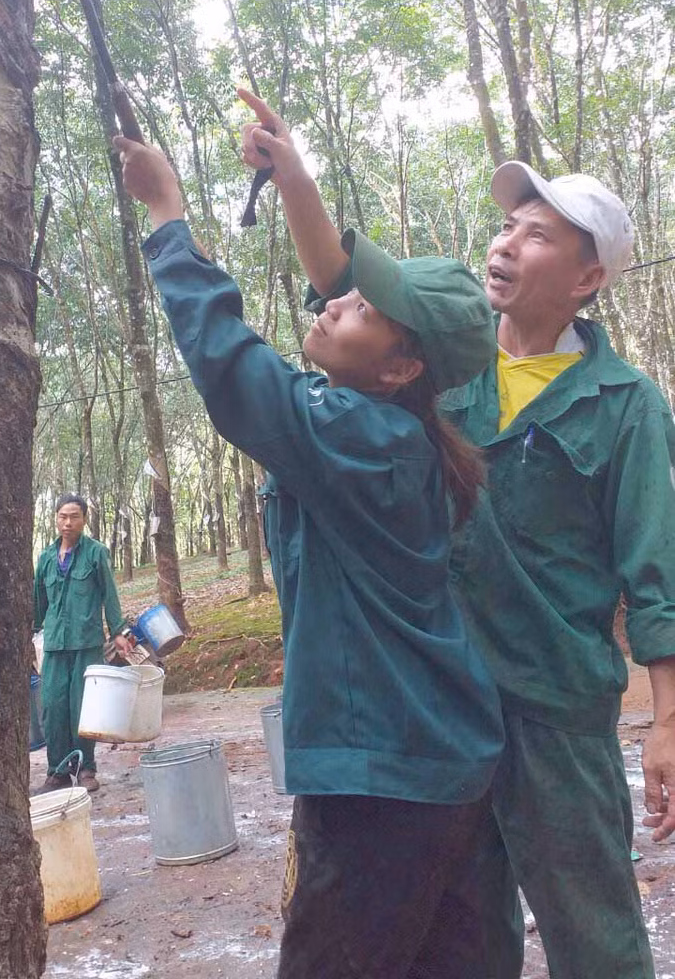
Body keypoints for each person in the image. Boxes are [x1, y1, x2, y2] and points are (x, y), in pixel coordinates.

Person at [238, 87, 675, 978]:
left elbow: (657, 574)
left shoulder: (626, 407)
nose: (506, 243)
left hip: (556, 709)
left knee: (595, 932)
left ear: (589, 278)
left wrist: (668, 721)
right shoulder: (440, 366)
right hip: (443, 709)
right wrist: (293, 175)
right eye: (509, 225)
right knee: (467, 936)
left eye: (539, 235)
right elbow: (343, 282)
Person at [113, 127, 505, 979]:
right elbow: (311, 310)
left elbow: (233, 368)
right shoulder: (401, 436)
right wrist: (290, 173)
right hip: (439, 766)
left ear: (402, 368)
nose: (329, 304)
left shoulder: (359, 436)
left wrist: (167, 214)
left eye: (361, 308)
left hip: (382, 781)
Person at [33, 493, 131, 794]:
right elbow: (39, 601)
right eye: (63, 516)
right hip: (55, 646)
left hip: (86, 642)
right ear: (55, 518)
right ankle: (58, 771)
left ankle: (86, 768)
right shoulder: (47, 558)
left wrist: (118, 630)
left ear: (84, 519)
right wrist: (31, 633)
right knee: (52, 706)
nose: (68, 522)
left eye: (74, 516)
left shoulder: (95, 553)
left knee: (84, 708)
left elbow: (109, 593)